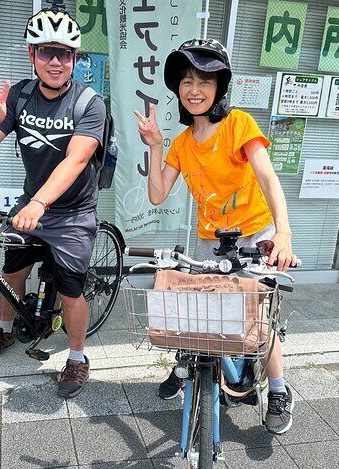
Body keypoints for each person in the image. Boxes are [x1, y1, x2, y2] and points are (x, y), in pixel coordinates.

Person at [134, 38, 298, 434]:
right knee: (202, 316)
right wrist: (156, 146)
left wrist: (284, 233)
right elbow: (157, 194)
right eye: (187, 81)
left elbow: (267, 176)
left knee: (259, 321)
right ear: (178, 88)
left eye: (205, 81)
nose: (195, 90)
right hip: (211, 240)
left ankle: (278, 388)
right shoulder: (182, 143)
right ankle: (189, 365)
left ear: (219, 87)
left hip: (256, 234)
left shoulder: (238, 124)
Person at [0, 3, 106, 398]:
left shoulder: (88, 103)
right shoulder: (19, 96)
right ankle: (5, 330)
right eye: (46, 52)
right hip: (33, 204)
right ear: (32, 55)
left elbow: (76, 160)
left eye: (64, 53)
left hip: (71, 212)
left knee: (70, 292)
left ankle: (78, 358)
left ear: (74, 59)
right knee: (12, 271)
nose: (55, 61)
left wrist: (39, 204)